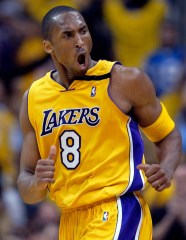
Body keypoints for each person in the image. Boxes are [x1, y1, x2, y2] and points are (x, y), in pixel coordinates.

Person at [17, 5, 182, 240]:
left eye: (83, 31)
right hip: (70, 219)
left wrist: (166, 168)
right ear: (48, 46)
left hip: (118, 210)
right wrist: (36, 182)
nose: (80, 41)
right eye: (68, 35)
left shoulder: (123, 81)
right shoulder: (33, 97)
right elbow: (26, 182)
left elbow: (168, 135)